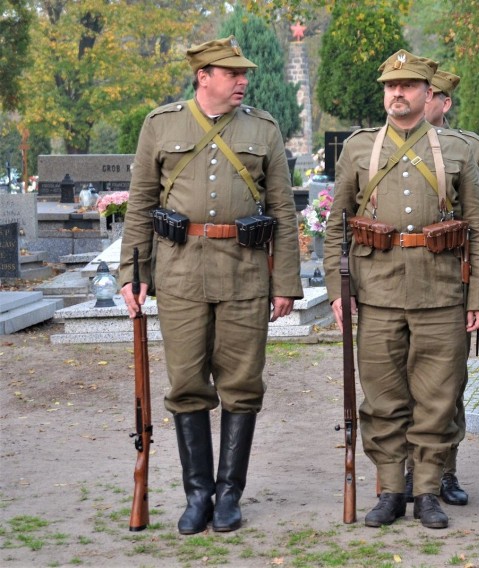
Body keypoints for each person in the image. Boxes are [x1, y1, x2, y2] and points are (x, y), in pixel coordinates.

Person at [118, 36, 304, 535]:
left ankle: (229, 495)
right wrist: (133, 275)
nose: (242, 81)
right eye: (231, 73)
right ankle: (197, 494)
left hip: (245, 272)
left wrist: (284, 280)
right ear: (203, 76)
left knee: (242, 386)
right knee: (186, 384)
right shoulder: (161, 124)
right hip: (180, 272)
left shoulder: (262, 129)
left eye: (244, 74)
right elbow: (140, 205)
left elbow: (282, 210)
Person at [322, 50, 479, 529]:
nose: (397, 94)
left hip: (440, 295)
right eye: (390, 86)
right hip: (376, 294)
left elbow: (477, 225)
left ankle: (428, 490)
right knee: (382, 399)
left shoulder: (455, 150)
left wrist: (478, 296)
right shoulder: (358, 149)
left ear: (427, 93)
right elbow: (337, 226)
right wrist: (340, 292)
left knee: (438, 397)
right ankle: (391, 491)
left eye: (408, 86)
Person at [399, 69, 479, 507]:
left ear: (443, 103)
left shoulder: (471, 151)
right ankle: (406, 472)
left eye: (434, 96)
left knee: (446, 387)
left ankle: (445, 470)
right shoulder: (388, 145)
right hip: (398, 287)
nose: (423, 101)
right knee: (399, 382)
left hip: (451, 288)